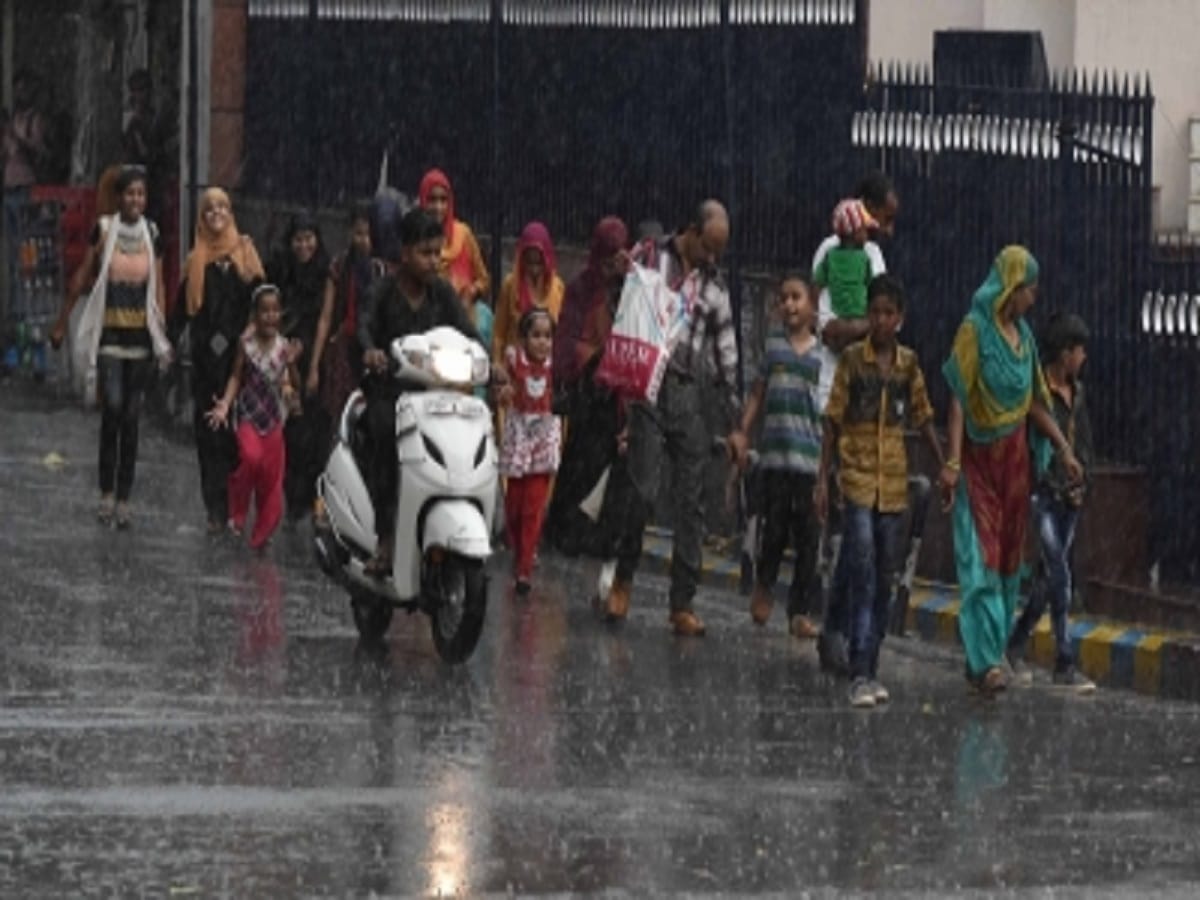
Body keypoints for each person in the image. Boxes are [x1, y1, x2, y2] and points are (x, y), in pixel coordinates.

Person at [940, 246, 1083, 697]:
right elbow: (959, 398)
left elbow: (1036, 404)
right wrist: (952, 460)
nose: (1033, 298)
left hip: (1016, 462)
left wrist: (1063, 449)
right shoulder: (974, 331)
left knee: (1007, 563)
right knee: (980, 558)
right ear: (1009, 286)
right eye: (1028, 288)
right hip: (980, 462)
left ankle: (989, 653)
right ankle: (985, 661)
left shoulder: (1023, 339)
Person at [603, 200, 748, 637]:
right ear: (690, 230)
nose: (713, 258)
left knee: (692, 497)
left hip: (687, 392)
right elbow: (621, 303)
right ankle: (623, 579)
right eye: (709, 246)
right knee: (643, 488)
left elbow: (726, 358)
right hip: (648, 384)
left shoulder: (716, 289)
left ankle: (682, 601)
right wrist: (617, 276)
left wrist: (736, 423)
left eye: (720, 250)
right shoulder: (650, 256)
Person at [816, 274, 944, 708]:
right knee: (865, 564)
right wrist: (823, 477)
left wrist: (945, 465)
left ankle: (847, 639)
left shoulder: (908, 365)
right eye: (875, 313)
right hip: (855, 475)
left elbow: (924, 417)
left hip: (891, 483)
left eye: (889, 313)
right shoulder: (853, 361)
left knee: (879, 571)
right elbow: (833, 420)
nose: (881, 321)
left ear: (900, 319)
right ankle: (861, 669)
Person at [356, 207, 483, 576]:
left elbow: (466, 331)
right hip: (388, 393)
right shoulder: (383, 290)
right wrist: (371, 351)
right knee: (384, 438)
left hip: (433, 396)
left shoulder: (442, 293)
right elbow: (363, 325)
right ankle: (385, 537)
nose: (434, 261)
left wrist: (491, 363)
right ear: (406, 252)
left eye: (437, 252)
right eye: (426, 253)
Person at [50, 166, 171, 528]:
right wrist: (61, 322)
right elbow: (83, 275)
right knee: (114, 408)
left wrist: (161, 331)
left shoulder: (153, 233)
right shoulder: (103, 231)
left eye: (141, 194)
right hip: (110, 338)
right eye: (130, 194)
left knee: (132, 418)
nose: (136, 200)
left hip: (140, 341)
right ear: (119, 197)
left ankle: (123, 499)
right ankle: (104, 492)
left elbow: (160, 285)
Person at [814, 171, 899, 675]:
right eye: (881, 219)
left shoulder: (873, 258)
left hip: (876, 429)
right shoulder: (836, 251)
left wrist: (859, 329)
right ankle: (847, 636)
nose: (883, 231)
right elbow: (827, 330)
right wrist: (858, 329)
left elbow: (873, 326)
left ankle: (845, 631)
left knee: (866, 542)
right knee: (856, 537)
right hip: (836, 403)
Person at [1005, 312, 1096, 693]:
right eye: (1079, 350)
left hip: (1069, 494)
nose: (1084, 358)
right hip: (1042, 490)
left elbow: (1085, 442)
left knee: (1046, 581)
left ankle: (1015, 642)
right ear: (1064, 353)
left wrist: (1083, 479)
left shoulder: (1078, 394)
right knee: (1059, 572)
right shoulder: (1037, 390)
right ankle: (1065, 659)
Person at [171, 187, 265, 535]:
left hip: (240, 361)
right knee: (208, 435)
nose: (216, 215)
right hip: (205, 363)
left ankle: (236, 508)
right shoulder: (195, 260)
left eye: (222, 208)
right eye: (209, 209)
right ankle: (214, 509)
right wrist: (167, 341)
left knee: (238, 438)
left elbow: (262, 301)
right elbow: (182, 308)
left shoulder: (246, 254)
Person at [739, 272, 823, 639]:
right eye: (784, 298)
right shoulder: (773, 347)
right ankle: (765, 586)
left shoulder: (824, 357)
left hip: (810, 464)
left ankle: (799, 610)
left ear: (813, 306)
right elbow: (757, 393)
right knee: (773, 532)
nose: (789, 304)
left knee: (808, 539)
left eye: (796, 297)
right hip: (775, 459)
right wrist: (743, 430)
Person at [545, 216, 630, 561]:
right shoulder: (582, 287)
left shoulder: (630, 287)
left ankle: (597, 538)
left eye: (617, 254)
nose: (611, 263)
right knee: (580, 463)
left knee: (611, 468)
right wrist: (593, 358)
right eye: (607, 255)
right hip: (589, 392)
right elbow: (567, 337)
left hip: (618, 394)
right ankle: (564, 532)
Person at [206, 285, 300, 550]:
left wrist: (292, 365)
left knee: (271, 480)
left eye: (275, 311)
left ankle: (262, 534)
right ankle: (237, 512)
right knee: (250, 458)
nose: (270, 316)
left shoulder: (284, 349)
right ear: (254, 315)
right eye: (264, 311)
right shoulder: (245, 345)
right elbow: (237, 375)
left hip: (274, 419)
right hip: (249, 414)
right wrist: (225, 403)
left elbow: (295, 384)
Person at [268, 211, 330, 523]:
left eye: (309, 239)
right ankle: (293, 498)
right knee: (292, 428)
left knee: (314, 430)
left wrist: (312, 357)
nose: (304, 246)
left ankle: (311, 496)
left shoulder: (324, 274)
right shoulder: (282, 270)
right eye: (298, 240)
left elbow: (324, 319)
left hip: (314, 360)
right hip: (284, 356)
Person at [499, 309, 562, 594]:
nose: (542, 342)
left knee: (532, 507)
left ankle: (524, 568)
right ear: (523, 338)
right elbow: (500, 386)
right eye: (536, 335)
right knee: (514, 506)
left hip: (543, 439)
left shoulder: (556, 366)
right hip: (519, 437)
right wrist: (502, 391)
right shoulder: (514, 361)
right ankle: (518, 551)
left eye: (547, 336)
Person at [308, 204, 380, 427]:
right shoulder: (338, 266)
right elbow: (326, 317)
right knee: (339, 415)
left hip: (372, 350)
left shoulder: (381, 270)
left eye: (369, 234)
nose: (364, 240)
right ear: (350, 233)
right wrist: (313, 367)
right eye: (359, 233)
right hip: (342, 349)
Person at [418, 168, 490, 317]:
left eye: (443, 200)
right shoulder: (416, 237)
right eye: (432, 199)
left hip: (463, 320)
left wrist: (471, 291)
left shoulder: (463, 234)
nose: (438, 207)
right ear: (423, 200)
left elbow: (483, 279)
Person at [492, 221, 564, 369]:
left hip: (546, 369)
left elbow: (561, 335)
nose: (534, 269)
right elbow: (499, 332)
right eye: (529, 262)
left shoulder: (557, 288)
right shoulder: (510, 285)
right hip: (513, 368)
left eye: (539, 263)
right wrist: (497, 364)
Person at [813, 199, 878, 321]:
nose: (867, 236)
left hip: (836, 315)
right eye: (865, 230)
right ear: (854, 233)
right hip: (860, 314)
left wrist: (815, 312)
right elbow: (872, 285)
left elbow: (817, 283)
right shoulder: (864, 258)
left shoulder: (830, 256)